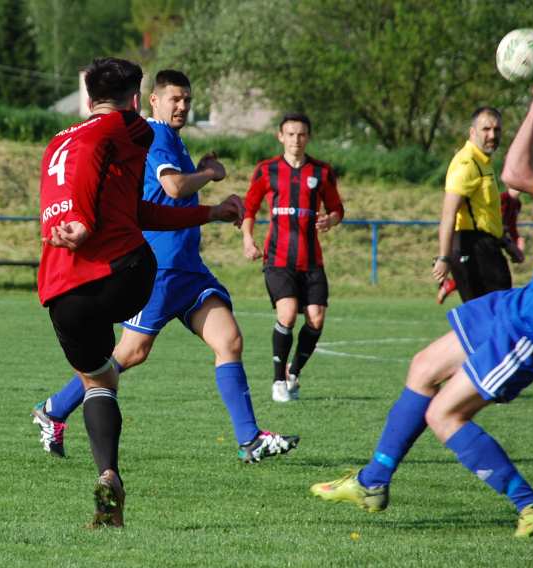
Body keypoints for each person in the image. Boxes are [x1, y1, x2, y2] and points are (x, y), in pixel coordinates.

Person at [310, 83, 533, 538]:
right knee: (424, 366)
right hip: (524, 302)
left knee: (444, 414)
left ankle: (531, 507)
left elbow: (515, 172)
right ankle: (372, 481)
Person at [33, 69, 299, 471]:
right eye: (174, 98)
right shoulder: (151, 136)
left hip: (188, 269)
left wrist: (210, 207)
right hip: (159, 270)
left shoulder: (171, 140)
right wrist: (210, 175)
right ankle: (54, 410)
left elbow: (169, 196)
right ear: (150, 101)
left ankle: (250, 439)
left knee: (229, 341)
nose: (182, 106)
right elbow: (173, 188)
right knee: (129, 353)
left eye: (188, 100)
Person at [37, 57, 245, 528]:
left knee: (100, 378)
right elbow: (137, 181)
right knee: (112, 368)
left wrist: (208, 213)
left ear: (86, 98)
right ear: (136, 102)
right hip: (124, 274)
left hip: (60, 291)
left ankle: (108, 471)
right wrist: (86, 225)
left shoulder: (55, 143)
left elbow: (129, 210)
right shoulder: (130, 131)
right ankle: (105, 475)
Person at [241, 113, 344, 402]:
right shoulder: (266, 170)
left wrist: (330, 220)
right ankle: (277, 383)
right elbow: (249, 208)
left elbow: (337, 209)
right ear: (280, 136)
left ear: (308, 137)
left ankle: (293, 373)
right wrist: (248, 239)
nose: (296, 140)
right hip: (278, 259)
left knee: (316, 319)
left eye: (301, 135)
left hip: (311, 261)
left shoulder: (322, 172)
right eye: (290, 134)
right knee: (286, 314)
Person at [432, 107, 524, 303]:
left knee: (495, 317)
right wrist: (444, 258)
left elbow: (486, 216)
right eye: (486, 129)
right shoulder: (467, 164)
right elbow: (448, 215)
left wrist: (507, 244)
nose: (492, 135)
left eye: (497, 130)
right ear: (472, 132)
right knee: (494, 317)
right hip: (471, 247)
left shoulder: (483, 163)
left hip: (487, 247)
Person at [437, 187, 525, 304]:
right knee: (482, 281)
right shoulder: (502, 198)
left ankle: (451, 285)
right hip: (482, 238)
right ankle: (450, 285)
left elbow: (511, 226)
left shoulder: (517, 204)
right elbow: (494, 220)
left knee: (491, 282)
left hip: (497, 238)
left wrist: (514, 240)